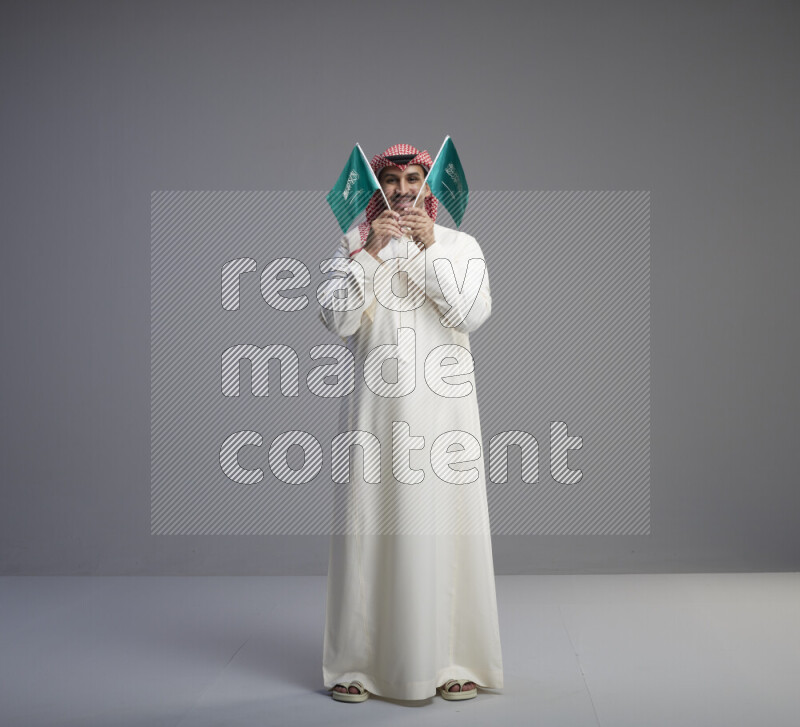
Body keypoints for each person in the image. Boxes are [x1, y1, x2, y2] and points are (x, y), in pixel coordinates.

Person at [318, 143, 503, 703]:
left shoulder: (460, 246)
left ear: (429, 185)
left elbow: (471, 314)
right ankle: (358, 666)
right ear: (378, 187)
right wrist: (370, 254)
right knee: (369, 531)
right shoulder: (354, 244)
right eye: (392, 180)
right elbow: (337, 318)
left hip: (445, 416)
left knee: (446, 528)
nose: (402, 190)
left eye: (413, 178)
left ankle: (452, 660)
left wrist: (427, 251)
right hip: (376, 416)